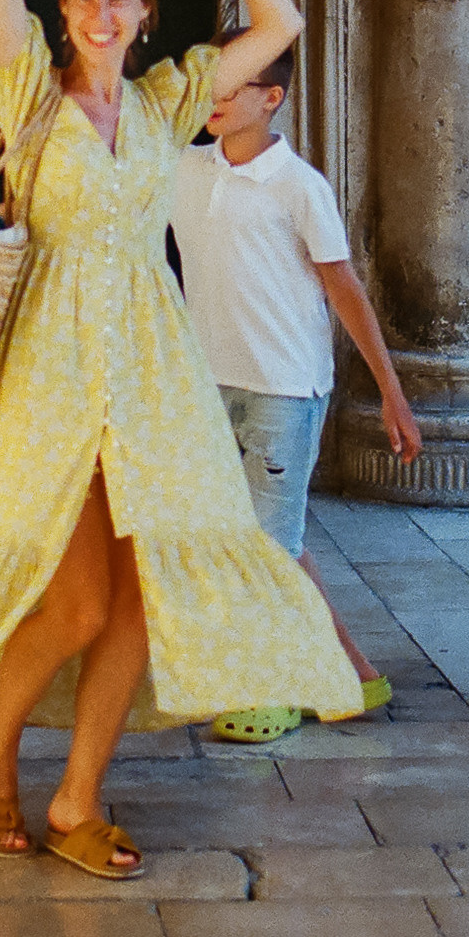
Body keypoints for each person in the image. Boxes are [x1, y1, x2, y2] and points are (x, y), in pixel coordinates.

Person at [0, 0, 363, 880]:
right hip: (50, 370)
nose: (102, 12)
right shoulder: (31, 102)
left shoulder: (168, 101)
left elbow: (280, 28)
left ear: (144, 14)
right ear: (66, 12)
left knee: (142, 596)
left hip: (150, 371)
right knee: (81, 600)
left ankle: (78, 797)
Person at [167, 48, 423, 744]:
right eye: (208, 84)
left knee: (262, 549)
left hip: (284, 387)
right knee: (271, 542)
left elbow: (343, 288)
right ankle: (352, 674)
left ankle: (268, 689)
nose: (212, 96)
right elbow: (98, 196)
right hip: (208, 383)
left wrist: (390, 394)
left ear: (270, 96)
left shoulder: (298, 186)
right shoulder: (182, 169)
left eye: (230, 85)